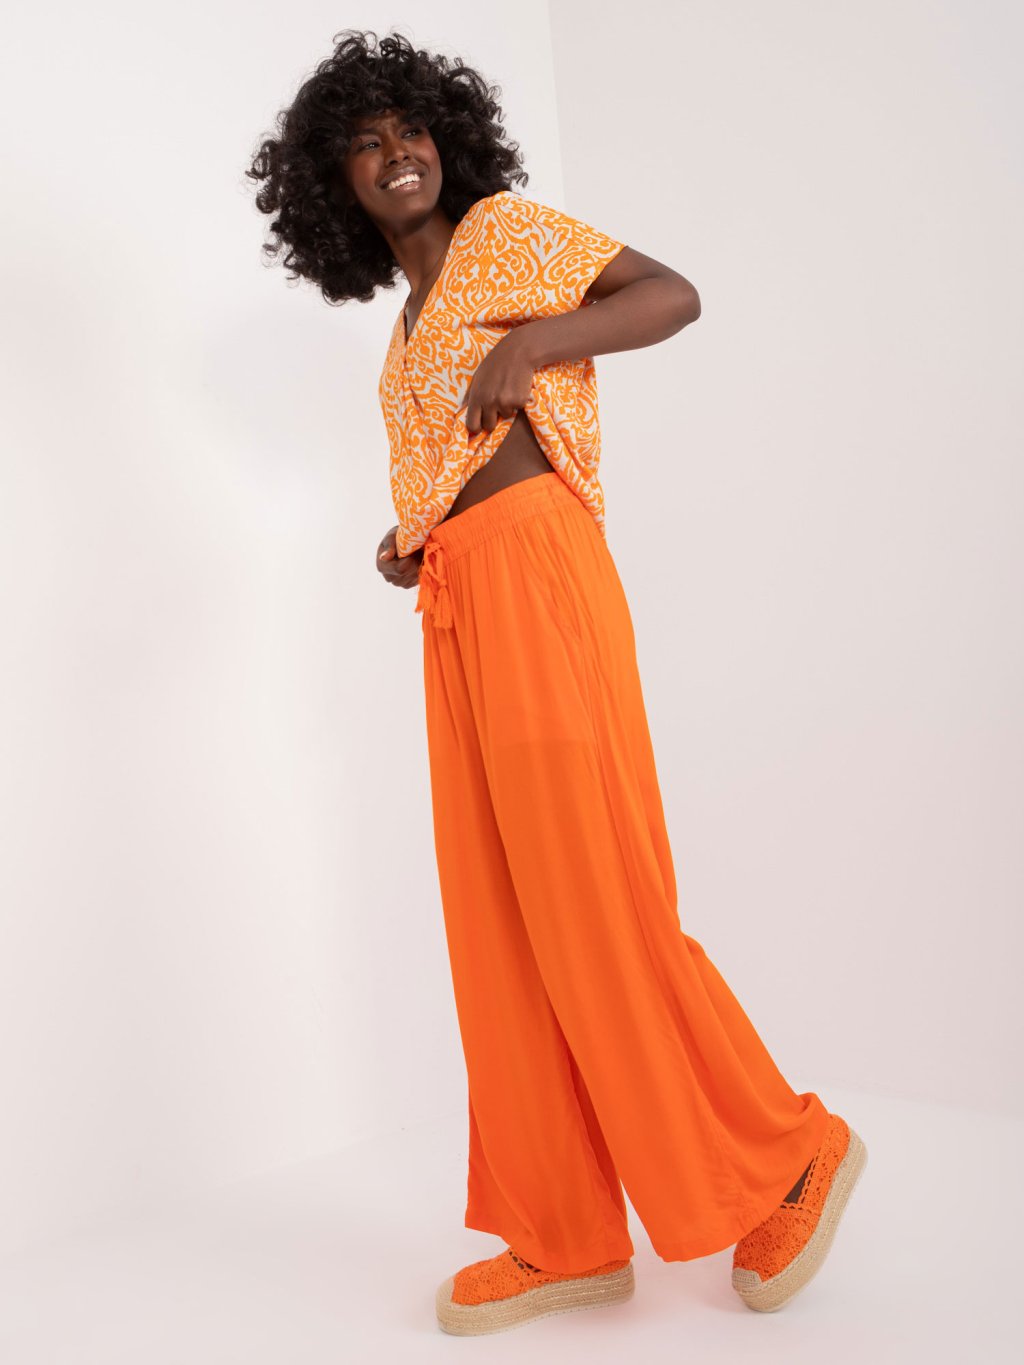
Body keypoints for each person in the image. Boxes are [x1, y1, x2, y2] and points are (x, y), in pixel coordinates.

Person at [246, 27, 867, 1337]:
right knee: (502, 930)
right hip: (462, 602)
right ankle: (561, 1230)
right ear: (333, 187)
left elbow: (670, 294)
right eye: (365, 144)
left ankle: (789, 1151)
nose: (396, 153)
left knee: (597, 899)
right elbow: (456, 455)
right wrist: (411, 540)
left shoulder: (503, 237)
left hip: (539, 577)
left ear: (447, 138)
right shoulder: (405, 325)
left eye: (411, 128)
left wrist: (537, 346)